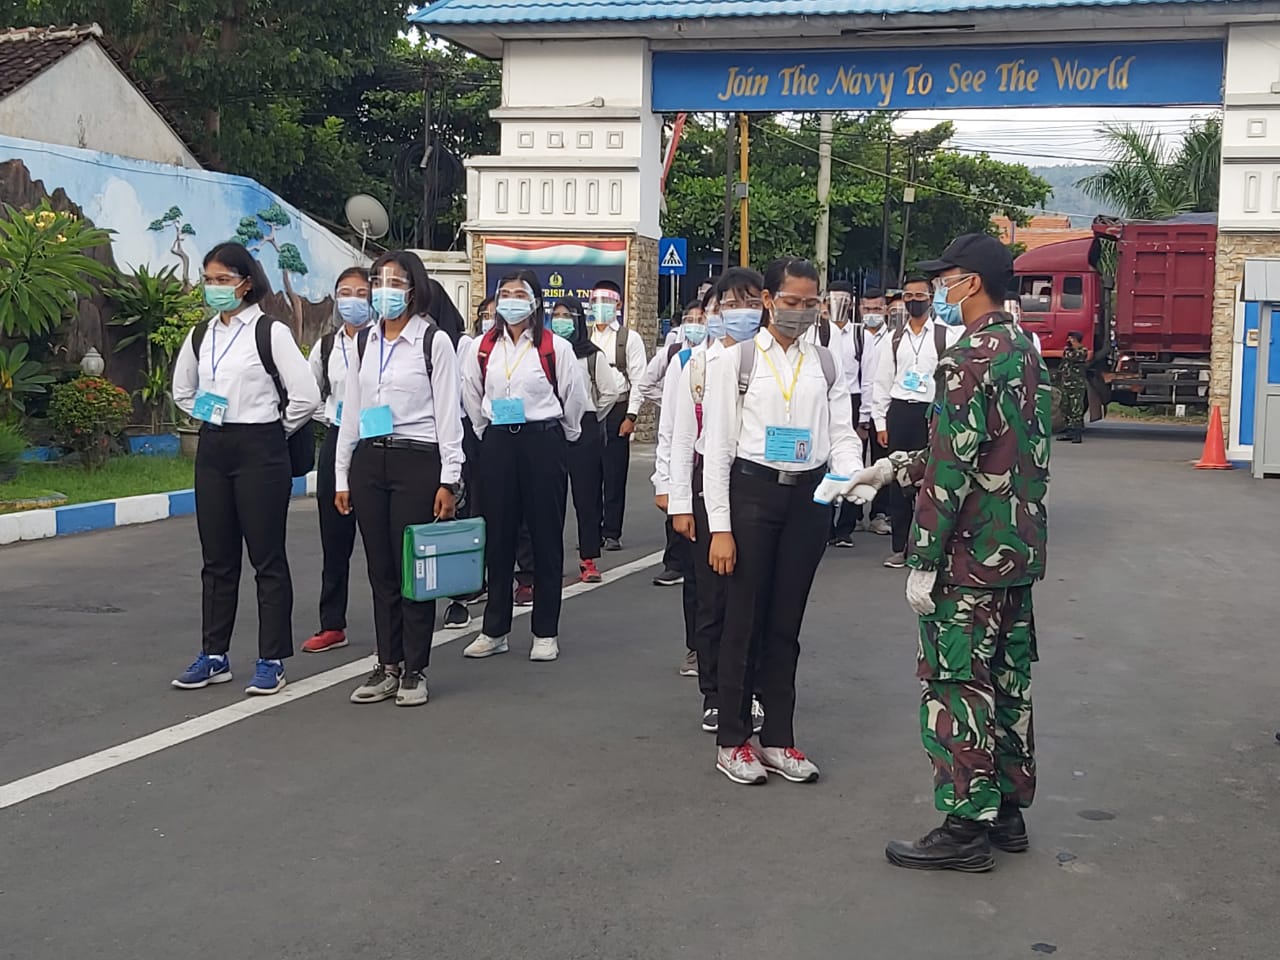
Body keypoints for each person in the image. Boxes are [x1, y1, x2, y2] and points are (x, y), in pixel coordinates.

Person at [844, 233, 1051, 872]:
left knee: (957, 685)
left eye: (946, 277)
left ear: (972, 282)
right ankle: (1007, 810)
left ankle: (964, 826)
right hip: (1014, 550)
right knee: (1009, 682)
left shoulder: (967, 357)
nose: (939, 288)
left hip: (968, 557)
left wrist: (923, 557)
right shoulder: (1023, 349)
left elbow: (954, 466)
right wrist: (893, 468)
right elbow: (994, 450)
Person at [703, 257, 862, 785]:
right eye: (790, 301)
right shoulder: (737, 361)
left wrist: (850, 474)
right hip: (752, 493)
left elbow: (841, 431)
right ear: (769, 301)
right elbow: (718, 449)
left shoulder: (827, 362)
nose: (800, 312)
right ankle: (733, 739)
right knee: (742, 621)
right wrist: (720, 528)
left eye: (810, 303)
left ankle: (778, 738)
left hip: (808, 500)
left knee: (785, 625)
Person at [171, 242, 321, 695]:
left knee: (266, 558)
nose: (214, 288)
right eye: (208, 280)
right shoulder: (202, 335)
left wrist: (275, 429)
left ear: (245, 283)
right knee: (217, 559)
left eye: (223, 279)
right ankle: (214, 655)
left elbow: (306, 396)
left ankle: (271, 659)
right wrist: (210, 413)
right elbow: (182, 390)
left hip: (262, 447)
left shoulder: (269, 332)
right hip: (215, 447)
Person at [333, 252, 463, 706]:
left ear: (413, 289)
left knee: (413, 568)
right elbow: (352, 410)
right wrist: (341, 474)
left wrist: (450, 479)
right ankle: (387, 663)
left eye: (395, 282)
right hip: (371, 460)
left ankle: (414, 668)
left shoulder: (433, 341)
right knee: (380, 569)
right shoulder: (365, 341)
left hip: (417, 460)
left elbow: (449, 413)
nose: (383, 290)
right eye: (378, 281)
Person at [461, 272, 590, 662]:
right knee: (498, 536)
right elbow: (471, 393)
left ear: (535, 301)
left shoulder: (554, 348)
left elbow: (574, 397)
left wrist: (564, 435)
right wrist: (486, 432)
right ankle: (494, 629)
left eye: (520, 294)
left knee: (545, 536)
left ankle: (545, 631)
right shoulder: (482, 346)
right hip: (499, 441)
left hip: (542, 441)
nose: (511, 300)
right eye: (505, 293)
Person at [668, 268, 768, 729]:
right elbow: (681, 434)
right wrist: (680, 502)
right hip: (709, 483)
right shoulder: (696, 364)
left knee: (755, 596)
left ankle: (753, 689)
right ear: (715, 310)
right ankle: (714, 691)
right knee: (712, 598)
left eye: (751, 302)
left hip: (757, 485)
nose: (741, 312)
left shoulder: (769, 357)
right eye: (731, 303)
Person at [303, 267, 373, 654]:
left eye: (361, 293)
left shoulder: (383, 342)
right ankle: (332, 624)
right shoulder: (326, 346)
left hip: (377, 441)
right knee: (334, 538)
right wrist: (332, 418)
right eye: (345, 292)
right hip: (336, 440)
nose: (353, 300)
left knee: (384, 541)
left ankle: (396, 624)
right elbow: (307, 392)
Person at [872, 274, 962, 569]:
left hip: (933, 412)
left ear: (931, 298)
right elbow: (882, 381)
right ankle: (901, 547)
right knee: (899, 481)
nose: (913, 301)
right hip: (900, 413)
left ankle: (931, 548)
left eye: (919, 296)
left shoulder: (947, 336)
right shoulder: (894, 338)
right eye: (908, 296)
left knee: (933, 481)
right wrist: (881, 423)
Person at [652, 286, 716, 677]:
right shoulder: (686, 361)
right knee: (696, 572)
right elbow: (671, 428)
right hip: (696, 475)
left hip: (741, 478)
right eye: (715, 310)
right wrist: (666, 483)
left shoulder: (753, 359)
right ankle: (698, 647)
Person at [551, 296, 621, 583]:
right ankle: (549, 560)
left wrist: (591, 416)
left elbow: (610, 393)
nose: (560, 321)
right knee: (549, 499)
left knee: (586, 497)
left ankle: (588, 558)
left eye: (567, 316)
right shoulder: (546, 353)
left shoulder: (591, 355)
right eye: (556, 315)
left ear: (578, 320)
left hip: (585, 428)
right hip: (552, 427)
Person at [644, 299, 709, 587]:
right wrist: (663, 481)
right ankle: (676, 564)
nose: (696, 325)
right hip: (692, 458)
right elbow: (669, 429)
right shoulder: (680, 359)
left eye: (701, 319)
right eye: (690, 320)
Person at [589, 280, 648, 550]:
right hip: (590, 411)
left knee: (614, 474)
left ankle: (611, 531)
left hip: (617, 410)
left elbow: (639, 380)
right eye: (596, 301)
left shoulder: (628, 339)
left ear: (618, 304)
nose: (600, 307)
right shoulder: (586, 336)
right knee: (589, 475)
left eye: (607, 301)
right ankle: (591, 531)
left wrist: (631, 416)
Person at [825, 280, 863, 548]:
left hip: (852, 398)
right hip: (823, 397)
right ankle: (825, 525)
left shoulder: (860, 335)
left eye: (843, 300)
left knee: (849, 455)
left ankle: (845, 527)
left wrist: (867, 416)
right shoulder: (819, 332)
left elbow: (870, 375)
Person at [1059, 330, 1087, 444]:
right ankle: (1069, 432)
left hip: (1076, 385)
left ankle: (1077, 434)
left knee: (1076, 409)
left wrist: (1070, 348)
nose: (1068, 340)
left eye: (1071, 338)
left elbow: (1072, 356)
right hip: (1067, 384)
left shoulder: (1082, 351)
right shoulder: (1068, 350)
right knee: (1065, 407)